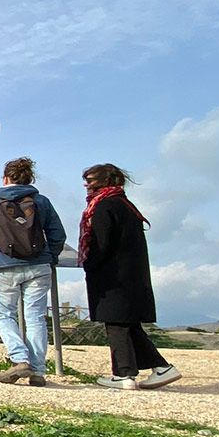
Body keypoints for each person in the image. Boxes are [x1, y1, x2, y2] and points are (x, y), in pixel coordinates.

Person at [78, 164, 181, 390]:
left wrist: (88, 264)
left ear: (105, 181)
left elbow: (100, 243)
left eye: (91, 180)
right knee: (128, 324)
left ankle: (124, 375)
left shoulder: (105, 206)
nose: (86, 184)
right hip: (131, 275)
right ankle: (162, 368)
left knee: (116, 325)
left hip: (113, 277)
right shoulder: (125, 205)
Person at [0, 157, 67, 386]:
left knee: (4, 315)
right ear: (29, 179)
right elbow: (58, 235)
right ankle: (37, 372)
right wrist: (49, 257)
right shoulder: (42, 201)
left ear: (5, 178)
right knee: (35, 317)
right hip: (39, 266)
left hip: (3, 266)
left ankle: (19, 359)